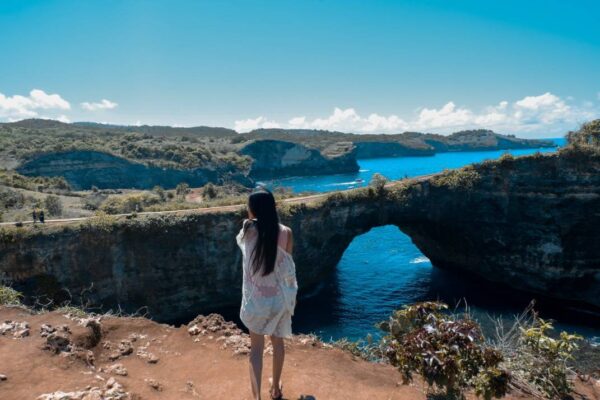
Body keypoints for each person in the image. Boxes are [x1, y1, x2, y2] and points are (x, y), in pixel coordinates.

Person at [236, 189, 298, 400]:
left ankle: (257, 398)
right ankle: (276, 390)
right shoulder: (287, 232)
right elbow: (286, 266)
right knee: (278, 343)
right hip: (279, 300)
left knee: (256, 351)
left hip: (257, 301)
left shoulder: (248, 230)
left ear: (253, 209)